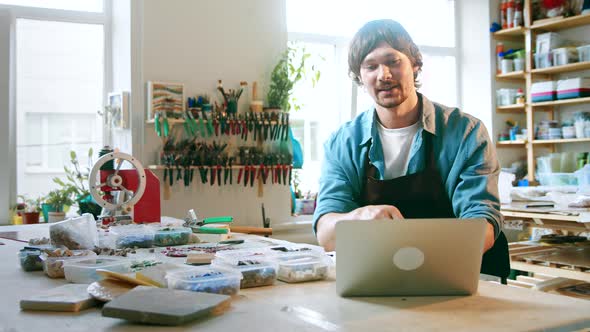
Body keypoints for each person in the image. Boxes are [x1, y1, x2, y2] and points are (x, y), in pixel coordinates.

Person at [313, 19, 509, 279]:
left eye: (393, 61)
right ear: (360, 76)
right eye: (371, 66)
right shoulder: (343, 142)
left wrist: (431, 263)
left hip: (467, 275)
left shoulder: (465, 133)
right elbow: (326, 234)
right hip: (383, 277)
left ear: (414, 64)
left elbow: (482, 224)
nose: (384, 74)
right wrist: (359, 220)